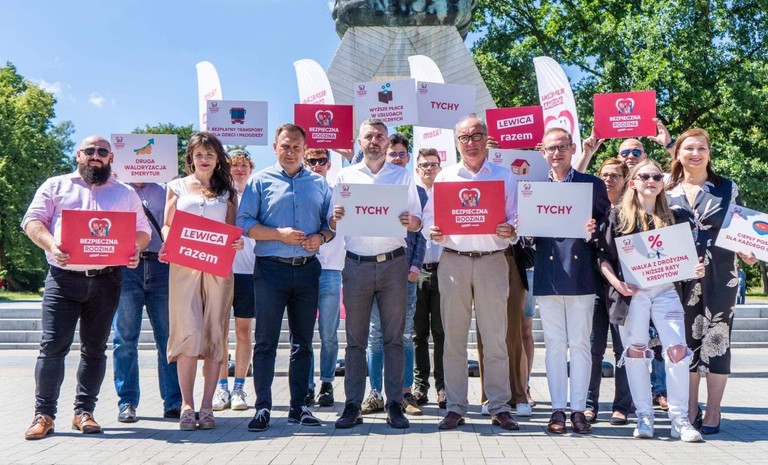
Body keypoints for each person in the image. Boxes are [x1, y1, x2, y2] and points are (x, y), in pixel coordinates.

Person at [22, 135, 151, 440]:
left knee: (95, 349)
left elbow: (142, 230)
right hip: (63, 279)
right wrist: (51, 244)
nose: (96, 155)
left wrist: (134, 247)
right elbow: (32, 221)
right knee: (52, 347)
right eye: (89, 150)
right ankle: (44, 415)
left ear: (110, 158)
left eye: (102, 151)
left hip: (107, 280)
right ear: (78, 155)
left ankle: (84, 412)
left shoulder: (125, 193)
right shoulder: (56, 185)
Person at [422, 115, 520, 431]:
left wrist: (511, 229)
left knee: (495, 339)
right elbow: (428, 219)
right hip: (454, 261)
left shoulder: (504, 176)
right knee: (453, 340)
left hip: (493, 260)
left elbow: (517, 217)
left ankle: (499, 406)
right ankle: (455, 407)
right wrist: (431, 231)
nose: (471, 143)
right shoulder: (445, 176)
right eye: (464, 137)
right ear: (457, 142)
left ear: (486, 138)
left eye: (476, 135)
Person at [598, 159, 705, 441]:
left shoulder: (676, 216)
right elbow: (603, 259)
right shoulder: (617, 217)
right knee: (635, 352)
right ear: (633, 182)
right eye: (644, 176)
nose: (651, 181)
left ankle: (680, 419)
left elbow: (688, 258)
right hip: (632, 294)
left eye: (657, 177)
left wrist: (695, 268)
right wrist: (618, 284)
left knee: (677, 351)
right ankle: (644, 416)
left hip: (666, 291)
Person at [237, 124, 334, 432]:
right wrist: (278, 233)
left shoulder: (319, 184)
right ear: (275, 147)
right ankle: (263, 407)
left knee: (303, 342)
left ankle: (299, 406)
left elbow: (330, 224)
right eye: (285, 146)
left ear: (304, 149)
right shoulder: (259, 180)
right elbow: (244, 222)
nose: (290, 152)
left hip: (307, 269)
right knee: (265, 341)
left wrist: (321, 237)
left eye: (296, 147)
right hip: (270, 270)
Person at [666, 128, 759, 435]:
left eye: (701, 148)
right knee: (687, 342)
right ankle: (691, 408)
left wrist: (750, 253)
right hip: (680, 276)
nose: (695, 154)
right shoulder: (667, 189)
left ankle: (714, 410)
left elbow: (742, 229)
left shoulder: (727, 188)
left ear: (709, 153)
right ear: (678, 153)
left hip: (721, 273)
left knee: (717, 339)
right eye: (689, 148)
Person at [332, 118, 423, 430]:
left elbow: (418, 221)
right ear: (359, 142)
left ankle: (395, 405)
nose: (374, 141)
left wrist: (409, 220)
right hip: (356, 264)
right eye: (369, 136)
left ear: (387, 142)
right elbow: (332, 223)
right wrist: (335, 217)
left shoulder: (402, 175)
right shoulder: (345, 175)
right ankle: (352, 405)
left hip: (393, 264)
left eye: (380, 137)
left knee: (394, 339)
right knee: (355, 341)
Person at [531, 127, 610, 435]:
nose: (557, 152)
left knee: (579, 344)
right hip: (548, 274)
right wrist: (524, 228)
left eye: (562, 146)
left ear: (573, 148)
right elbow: (529, 237)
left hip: (580, 273)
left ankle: (578, 410)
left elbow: (607, 224)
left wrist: (594, 229)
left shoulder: (591, 185)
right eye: (551, 148)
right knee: (553, 345)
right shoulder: (534, 188)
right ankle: (557, 410)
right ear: (542, 152)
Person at [162, 132, 243, 431]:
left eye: (210, 154)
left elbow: (232, 229)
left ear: (218, 158)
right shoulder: (177, 186)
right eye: (199, 154)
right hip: (184, 266)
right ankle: (187, 405)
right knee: (188, 331)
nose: (204, 159)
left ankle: (207, 407)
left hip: (218, 267)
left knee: (214, 332)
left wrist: (237, 242)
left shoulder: (228, 191)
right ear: (191, 158)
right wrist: (169, 242)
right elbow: (167, 224)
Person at [361, 134, 427, 416]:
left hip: (405, 272)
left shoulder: (417, 190)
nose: (397, 158)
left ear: (408, 158)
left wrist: (414, 268)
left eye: (402, 154)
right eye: (393, 154)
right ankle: (375, 393)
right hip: (373, 268)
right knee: (376, 334)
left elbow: (421, 234)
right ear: (385, 154)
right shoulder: (368, 186)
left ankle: (405, 392)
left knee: (405, 334)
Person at [113, 182, 182, 423]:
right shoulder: (115, 189)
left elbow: (177, 225)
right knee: (124, 339)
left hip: (162, 266)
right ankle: (127, 402)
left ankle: (174, 402)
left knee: (167, 338)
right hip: (126, 266)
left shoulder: (167, 189)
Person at [584, 158, 632, 425]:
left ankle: (621, 406)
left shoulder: (633, 210)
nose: (608, 180)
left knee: (623, 349)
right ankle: (589, 404)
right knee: (593, 347)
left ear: (625, 179)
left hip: (624, 288)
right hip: (594, 285)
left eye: (615, 175)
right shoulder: (591, 208)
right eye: (604, 175)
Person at [212, 149, 256, 411]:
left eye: (244, 165)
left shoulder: (257, 194)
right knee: (220, 333)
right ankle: (221, 388)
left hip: (249, 272)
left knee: (243, 331)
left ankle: (239, 387)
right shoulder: (218, 195)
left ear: (250, 169)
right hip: (221, 271)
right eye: (234, 165)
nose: (239, 169)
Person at [304, 148, 345, 407]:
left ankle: (327, 382)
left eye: (322, 161)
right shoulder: (298, 193)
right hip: (303, 267)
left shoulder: (339, 193)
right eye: (312, 161)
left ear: (329, 165)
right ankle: (306, 385)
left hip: (331, 268)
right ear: (305, 163)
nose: (317, 165)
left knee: (328, 333)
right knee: (304, 334)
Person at [412, 147, 446, 409]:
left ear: (440, 168)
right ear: (417, 169)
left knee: (442, 332)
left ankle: (443, 387)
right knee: (418, 332)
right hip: (418, 269)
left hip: (446, 268)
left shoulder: (448, 193)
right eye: (424, 165)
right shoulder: (411, 196)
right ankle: (420, 386)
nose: (429, 169)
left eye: (434, 164)